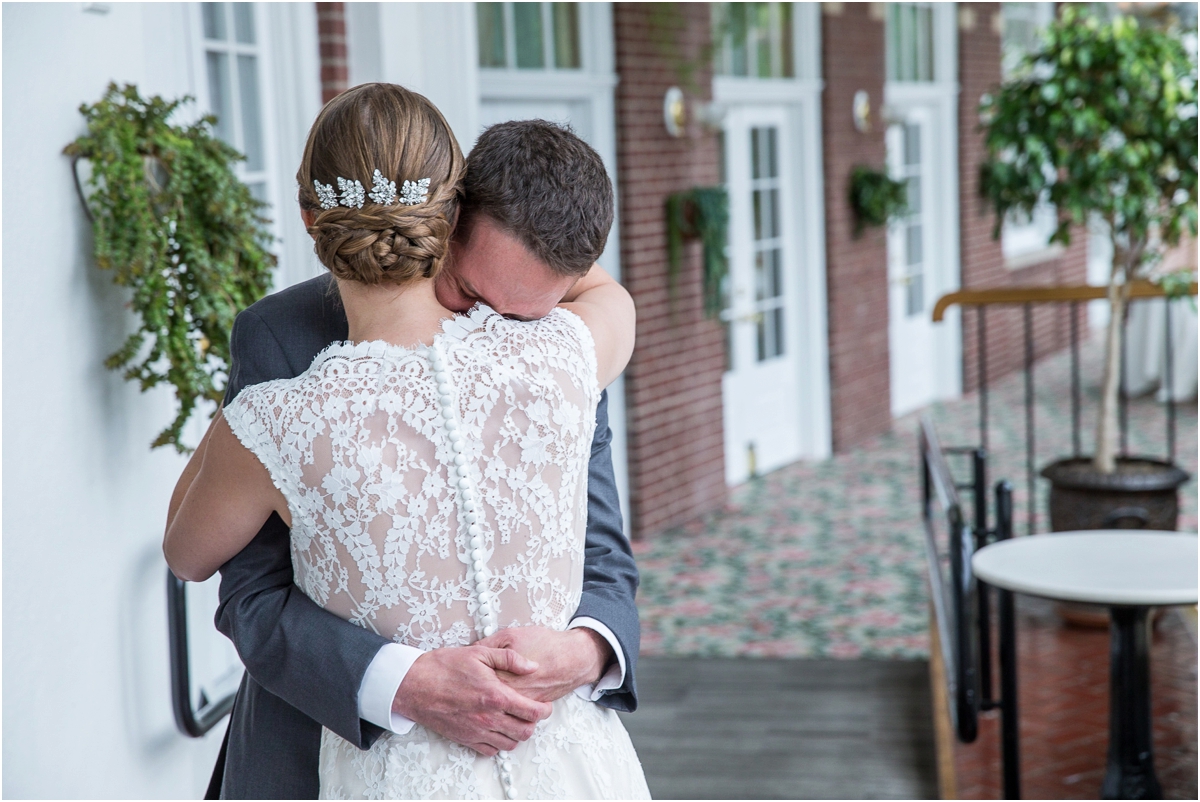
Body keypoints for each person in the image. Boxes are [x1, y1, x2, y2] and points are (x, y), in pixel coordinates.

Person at [164, 82, 650, 799]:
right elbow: (251, 590)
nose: (494, 324)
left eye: (525, 310)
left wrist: (585, 650)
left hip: (554, 744)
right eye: (475, 293)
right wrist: (401, 681)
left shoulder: (548, 335)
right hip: (332, 747)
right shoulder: (277, 340)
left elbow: (602, 546)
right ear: (452, 213)